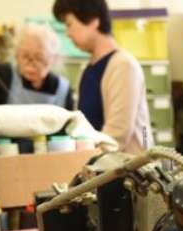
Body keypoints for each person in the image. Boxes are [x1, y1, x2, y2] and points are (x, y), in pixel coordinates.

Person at [53, 0, 151, 153]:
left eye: (69, 24)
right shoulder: (87, 69)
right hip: (99, 168)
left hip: (126, 171)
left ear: (93, 20)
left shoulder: (123, 65)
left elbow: (116, 135)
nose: (68, 33)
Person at [0, 24, 74, 109]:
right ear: (16, 55)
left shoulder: (63, 89)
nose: (31, 64)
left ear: (54, 59)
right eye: (25, 56)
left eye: (39, 58)